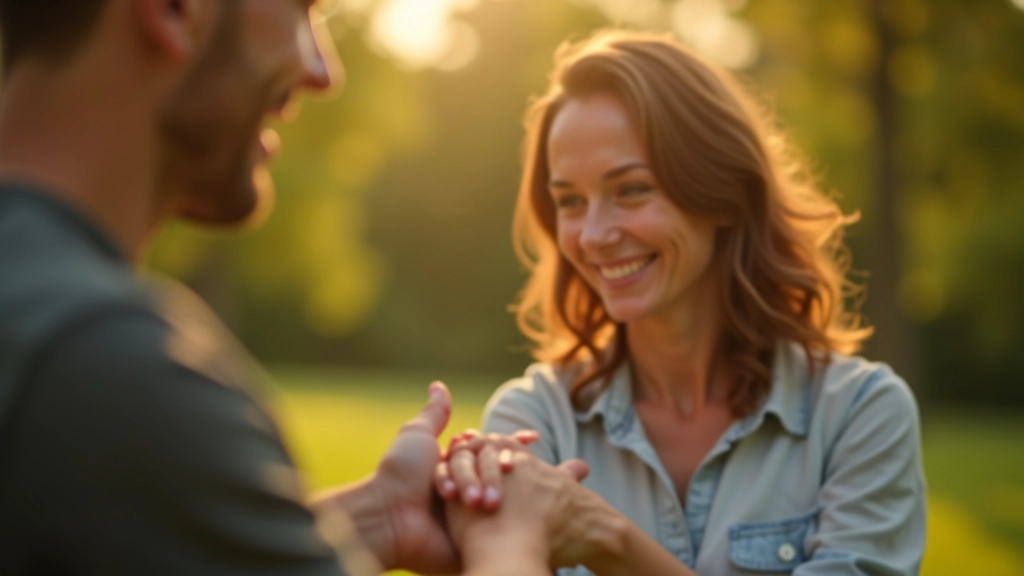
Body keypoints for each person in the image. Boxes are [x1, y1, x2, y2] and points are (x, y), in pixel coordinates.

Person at [0, 1, 581, 574]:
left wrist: (377, 518)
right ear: (175, 9)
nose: (323, 73)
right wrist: (514, 537)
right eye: (301, 10)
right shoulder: (108, 369)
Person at [439, 30, 927, 575]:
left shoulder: (859, 416)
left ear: (722, 192)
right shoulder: (535, 423)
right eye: (571, 201)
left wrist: (613, 543)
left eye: (631, 189)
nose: (594, 235)